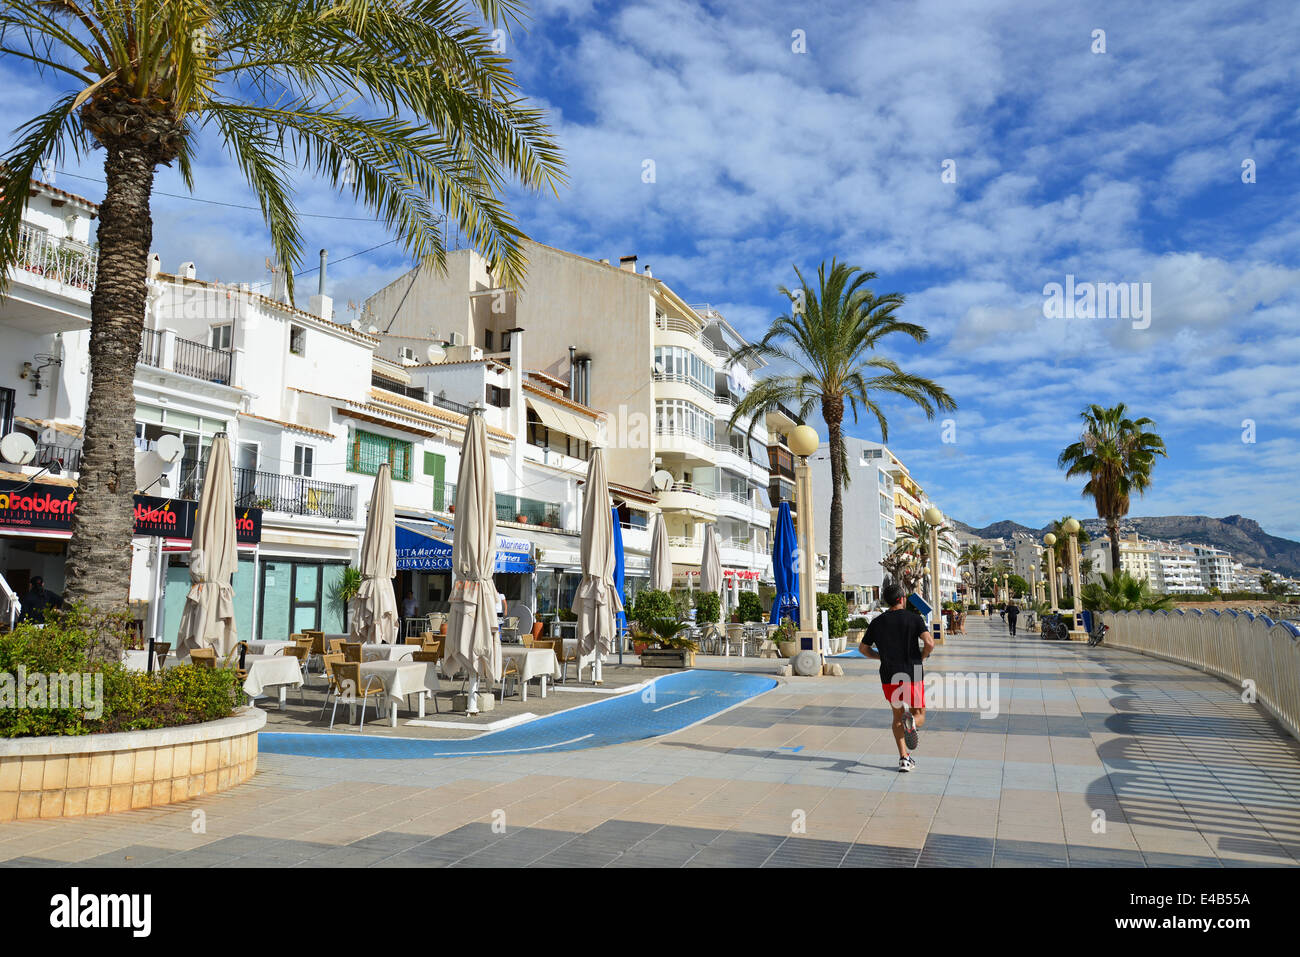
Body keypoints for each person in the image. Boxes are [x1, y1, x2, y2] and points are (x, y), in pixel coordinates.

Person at [860, 581, 934, 773]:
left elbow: (863, 649)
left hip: (888, 673)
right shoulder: (914, 619)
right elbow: (929, 643)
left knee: (897, 716)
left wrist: (880, 656)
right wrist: (922, 656)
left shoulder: (877, 622)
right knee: (920, 714)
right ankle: (914, 725)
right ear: (902, 599)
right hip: (914, 670)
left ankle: (904, 758)